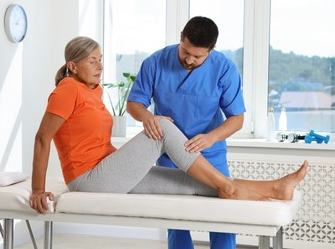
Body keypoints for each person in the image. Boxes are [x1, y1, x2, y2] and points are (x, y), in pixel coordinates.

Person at [29, 36, 308, 236]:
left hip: (106, 170)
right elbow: (42, 138)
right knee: (162, 127)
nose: (100, 66)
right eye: (92, 61)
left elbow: (92, 141)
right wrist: (38, 190)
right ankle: (231, 188)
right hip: (87, 179)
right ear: (73, 66)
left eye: (101, 59)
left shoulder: (93, 91)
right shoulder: (67, 89)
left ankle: (274, 189)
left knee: (192, 184)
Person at [126, 16, 245, 249]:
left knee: (223, 213)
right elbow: (134, 104)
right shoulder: (155, 62)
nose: (189, 59)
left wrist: (211, 137)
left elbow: (237, 118)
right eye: (185, 51)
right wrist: (147, 117)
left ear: (211, 50)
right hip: (169, 154)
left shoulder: (224, 69)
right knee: (175, 217)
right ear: (181, 38)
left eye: (197, 56)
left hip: (209, 153)